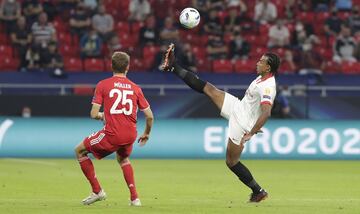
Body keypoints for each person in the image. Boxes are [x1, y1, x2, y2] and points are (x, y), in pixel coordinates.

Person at [161, 43, 279, 203]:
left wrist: (251, 132)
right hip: (238, 107)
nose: (257, 62)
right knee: (209, 89)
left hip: (242, 123)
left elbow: (266, 112)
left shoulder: (268, 87)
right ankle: (174, 67)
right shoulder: (261, 77)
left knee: (231, 162)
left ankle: (258, 191)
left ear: (268, 67)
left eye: (261, 61)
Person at [74, 51, 154, 206]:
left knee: (79, 151)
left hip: (113, 134)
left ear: (111, 65)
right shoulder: (136, 88)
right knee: (123, 158)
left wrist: (102, 116)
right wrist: (146, 133)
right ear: (128, 67)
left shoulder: (103, 84)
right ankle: (135, 198)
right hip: (131, 134)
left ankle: (97, 191)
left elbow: (93, 114)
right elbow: (150, 116)